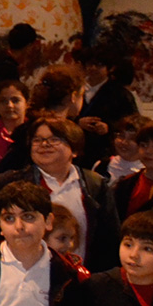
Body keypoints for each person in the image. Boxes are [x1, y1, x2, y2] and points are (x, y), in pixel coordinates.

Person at [15, 116, 120, 271]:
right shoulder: (17, 183)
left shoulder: (94, 184)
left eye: (54, 139)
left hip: (82, 275)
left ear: (75, 149)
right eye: (37, 140)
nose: (44, 145)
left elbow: (110, 238)